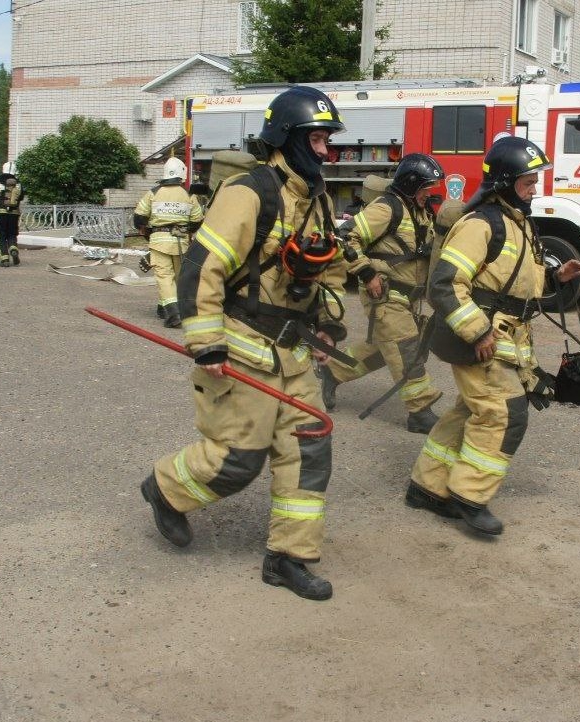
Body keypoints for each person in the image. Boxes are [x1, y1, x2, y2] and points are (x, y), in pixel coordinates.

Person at [139, 86, 350, 601]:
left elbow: (334, 270)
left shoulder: (317, 199)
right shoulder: (248, 193)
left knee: (309, 453)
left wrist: (327, 324)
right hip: (243, 349)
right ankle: (165, 489)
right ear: (287, 138)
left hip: (294, 354)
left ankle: (288, 559)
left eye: (328, 140)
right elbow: (200, 270)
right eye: (319, 139)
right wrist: (206, 343)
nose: (327, 151)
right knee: (237, 461)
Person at [406, 137, 580, 535]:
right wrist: (476, 331)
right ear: (505, 183)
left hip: (506, 337)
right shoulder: (479, 224)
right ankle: (470, 496)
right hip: (482, 338)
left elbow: (513, 280)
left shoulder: (516, 222)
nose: (534, 189)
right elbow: (446, 284)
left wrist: (557, 277)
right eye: (527, 182)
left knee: (472, 410)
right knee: (504, 413)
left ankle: (428, 486)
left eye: (535, 181)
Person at [320, 153, 445, 433]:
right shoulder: (387, 209)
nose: (430, 193)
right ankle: (420, 411)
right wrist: (365, 272)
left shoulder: (420, 211)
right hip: (385, 294)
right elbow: (345, 236)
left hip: (408, 297)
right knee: (405, 348)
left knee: (383, 350)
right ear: (412, 185)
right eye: (426, 187)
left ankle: (332, 371)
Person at [133, 158, 205, 327]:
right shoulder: (189, 195)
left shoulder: (154, 193)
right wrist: (186, 230)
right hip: (181, 242)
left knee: (164, 277)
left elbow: (139, 218)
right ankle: (163, 307)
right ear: (182, 173)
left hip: (159, 241)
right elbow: (197, 220)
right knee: (179, 277)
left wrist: (147, 231)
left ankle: (173, 314)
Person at [0, 162, 23, 267]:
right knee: (12, 234)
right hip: (14, 214)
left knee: (0, 236)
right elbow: (20, 198)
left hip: (0, 214)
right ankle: (13, 248)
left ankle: (4, 259)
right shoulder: (19, 184)